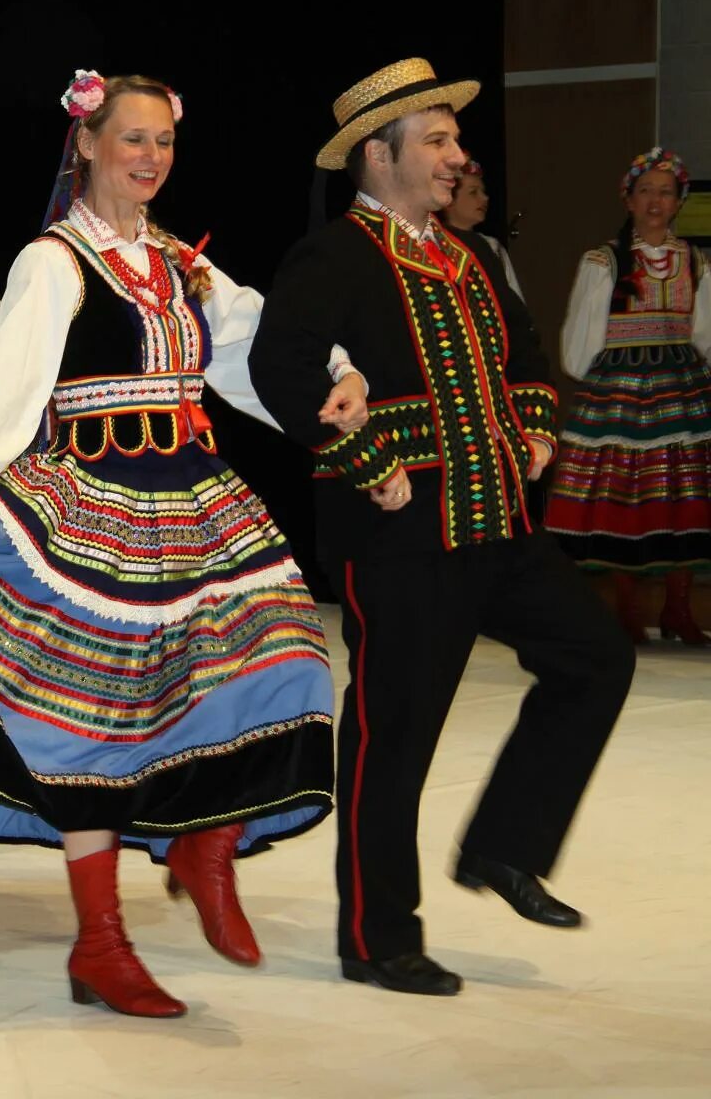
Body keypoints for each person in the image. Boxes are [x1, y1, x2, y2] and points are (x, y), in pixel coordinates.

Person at [0, 71, 360, 1017]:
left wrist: (333, 381)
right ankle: (101, 941)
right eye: (132, 139)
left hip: (194, 499)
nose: (150, 157)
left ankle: (205, 841)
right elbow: (6, 384)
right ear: (88, 145)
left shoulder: (183, 262)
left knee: (283, 651)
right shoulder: (53, 261)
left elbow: (254, 346)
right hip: (94, 505)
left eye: (164, 142)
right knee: (94, 717)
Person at [250, 58, 634, 996]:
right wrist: (365, 462)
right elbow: (282, 366)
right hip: (402, 540)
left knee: (596, 657)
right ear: (379, 157)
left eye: (454, 141)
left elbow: (529, 353)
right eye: (439, 140)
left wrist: (536, 424)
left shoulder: (464, 259)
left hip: (497, 525)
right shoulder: (335, 254)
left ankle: (505, 846)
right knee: (396, 738)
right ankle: (378, 937)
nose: (459, 156)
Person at [545, 147, 710, 643]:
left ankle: (680, 608)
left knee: (685, 494)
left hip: (681, 390)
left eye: (666, 192)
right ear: (629, 199)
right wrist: (592, 379)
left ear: (679, 201)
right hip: (621, 392)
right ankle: (628, 610)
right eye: (646, 191)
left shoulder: (695, 261)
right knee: (626, 496)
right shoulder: (604, 260)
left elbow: (704, 332)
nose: (656, 201)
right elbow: (581, 340)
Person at [443, 157, 524, 296]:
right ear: (449, 200)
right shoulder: (434, 247)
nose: (485, 198)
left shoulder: (493, 248)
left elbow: (514, 300)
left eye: (483, 192)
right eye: (473, 192)